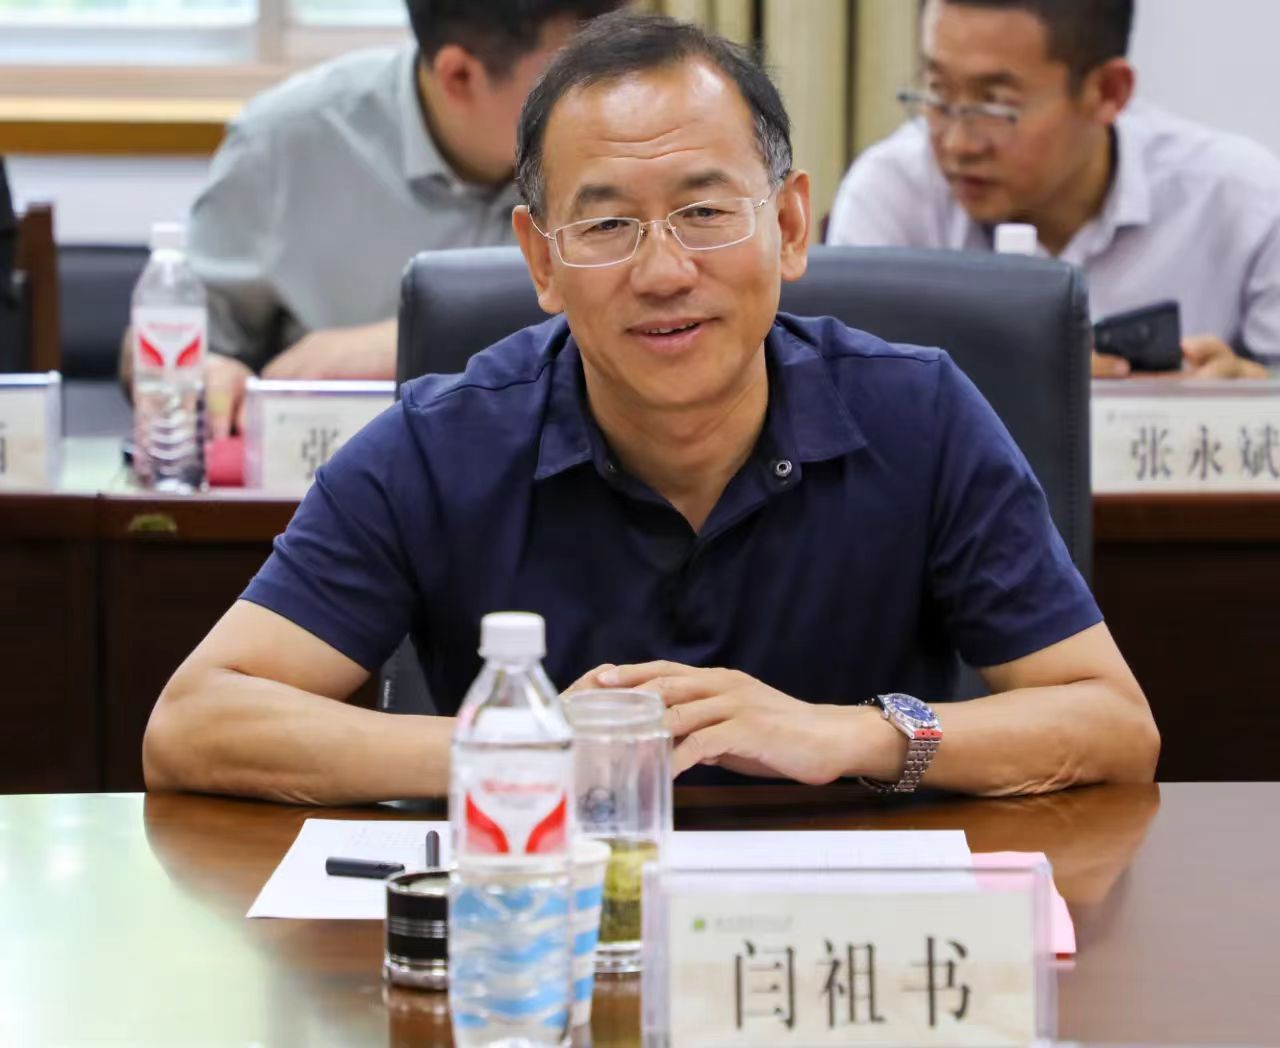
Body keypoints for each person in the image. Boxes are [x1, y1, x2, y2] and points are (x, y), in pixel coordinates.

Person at [143, 11, 1159, 806]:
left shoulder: (918, 414)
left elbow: (1111, 723)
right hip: (550, 924)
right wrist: (523, 748)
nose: (664, 271)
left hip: (837, 927)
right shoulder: (440, 442)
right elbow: (195, 722)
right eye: (607, 226)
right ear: (540, 260)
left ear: (789, 225)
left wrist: (849, 733)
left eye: (704, 212)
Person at [172, 0, 624, 437]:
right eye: (567, 79)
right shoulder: (285, 146)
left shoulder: (639, 145)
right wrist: (208, 373)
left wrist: (409, 343)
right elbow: (182, 343)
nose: (608, 103)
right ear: (459, 76)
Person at [828, 0, 1280, 380]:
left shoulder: (1242, 200)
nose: (957, 143)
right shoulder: (892, 194)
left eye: (995, 105)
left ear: (1108, 92)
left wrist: (1248, 399)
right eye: (937, 92)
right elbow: (848, 401)